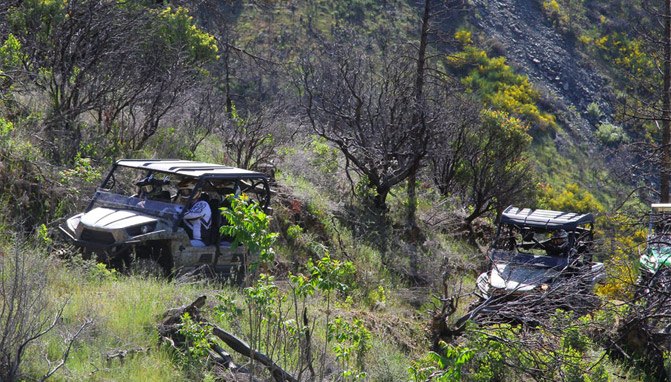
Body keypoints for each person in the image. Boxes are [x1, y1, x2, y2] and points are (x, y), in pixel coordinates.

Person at [177, 180, 212, 247]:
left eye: (186, 191)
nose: (184, 194)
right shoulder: (188, 204)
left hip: (200, 241)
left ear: (195, 192)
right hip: (188, 238)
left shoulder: (203, 204)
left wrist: (174, 210)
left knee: (179, 246)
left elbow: (189, 215)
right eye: (182, 192)